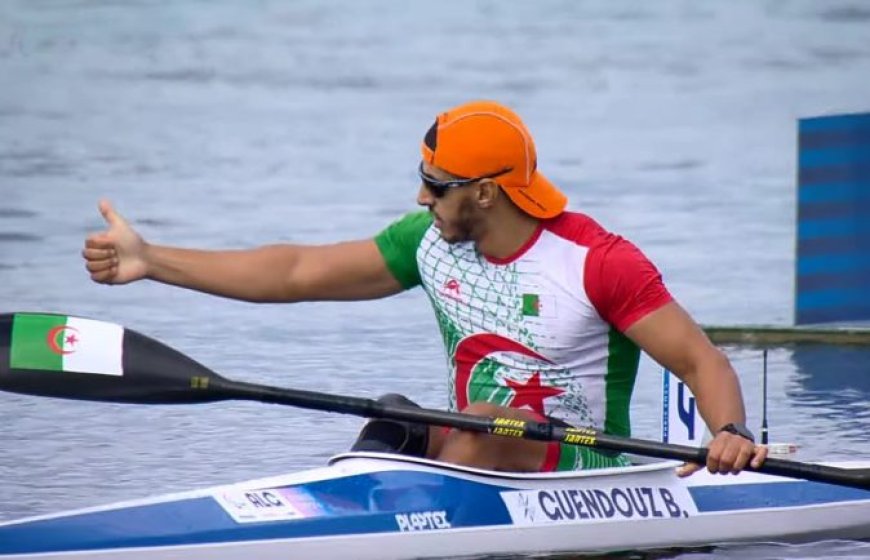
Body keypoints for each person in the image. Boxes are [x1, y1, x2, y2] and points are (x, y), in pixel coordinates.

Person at [83, 100, 767, 476]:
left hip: (588, 469)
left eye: (436, 185)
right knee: (400, 415)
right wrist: (153, 259)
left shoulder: (598, 262)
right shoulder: (428, 242)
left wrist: (731, 432)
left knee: (489, 417)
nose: (421, 196)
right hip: (476, 444)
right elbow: (292, 273)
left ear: (487, 193)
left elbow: (700, 360)